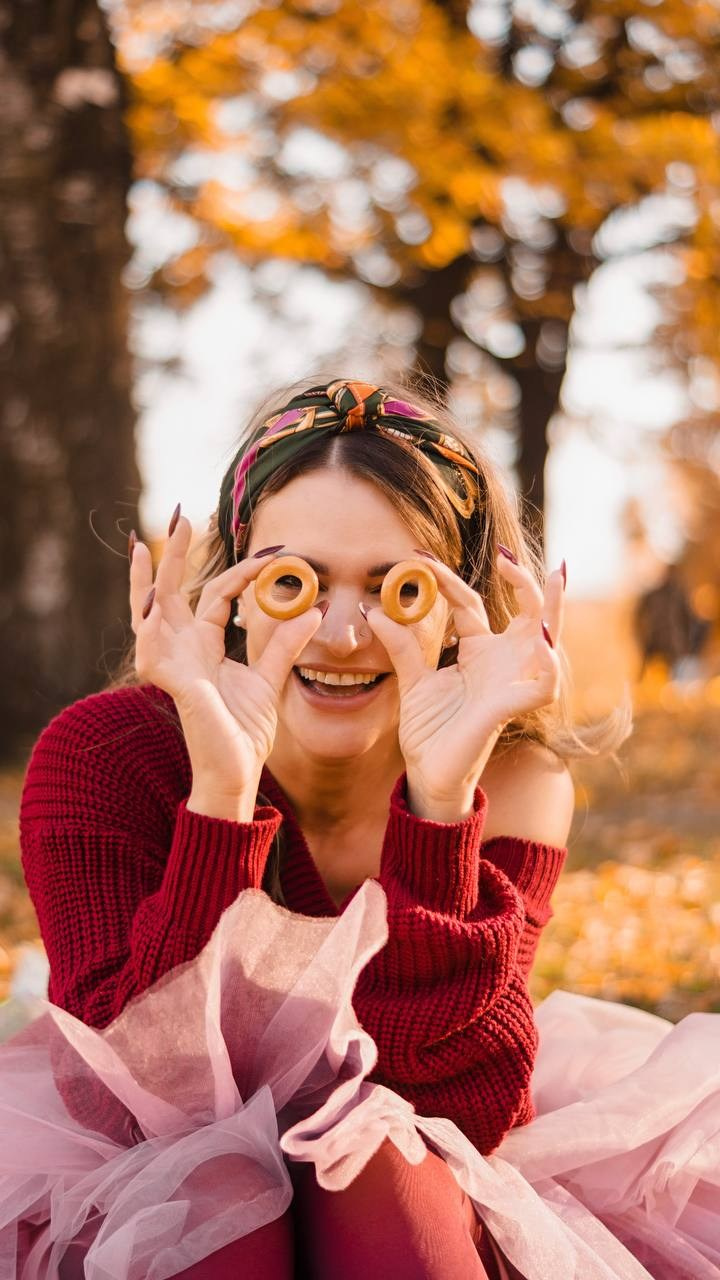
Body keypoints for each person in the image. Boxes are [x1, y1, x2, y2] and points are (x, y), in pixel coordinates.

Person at [4, 379, 719, 1279]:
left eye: (399, 589)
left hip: (407, 1173)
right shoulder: (104, 757)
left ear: (462, 609)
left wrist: (440, 803)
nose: (341, 632)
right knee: (214, 1199)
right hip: (153, 1187)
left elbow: (462, 1111)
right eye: (291, 581)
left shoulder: (511, 779)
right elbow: (128, 1113)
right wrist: (222, 790)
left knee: (381, 1167)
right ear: (232, 584)